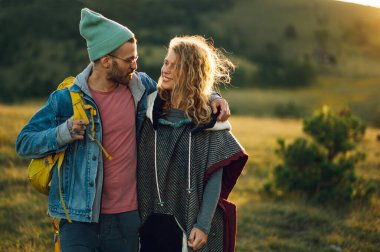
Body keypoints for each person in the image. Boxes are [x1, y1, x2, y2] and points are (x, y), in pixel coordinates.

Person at [15, 9, 230, 252]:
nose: (135, 66)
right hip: (77, 217)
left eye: (136, 58)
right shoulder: (65, 100)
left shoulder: (140, 89)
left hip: (127, 218)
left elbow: (187, 87)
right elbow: (24, 142)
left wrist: (213, 96)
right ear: (106, 60)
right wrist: (62, 133)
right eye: (129, 60)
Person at [137, 35, 248, 252]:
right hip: (147, 219)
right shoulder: (148, 109)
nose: (165, 70)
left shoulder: (209, 121)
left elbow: (214, 181)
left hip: (188, 223)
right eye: (165, 62)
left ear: (191, 72)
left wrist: (203, 225)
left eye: (174, 66)